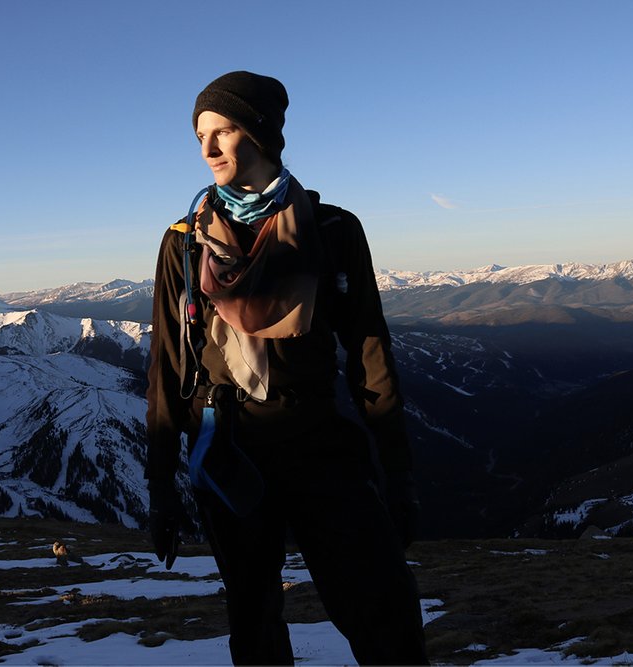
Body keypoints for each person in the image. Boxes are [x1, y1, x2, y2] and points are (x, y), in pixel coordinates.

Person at [146, 71, 428, 665]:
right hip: (228, 446)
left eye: (224, 130)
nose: (208, 149)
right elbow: (168, 367)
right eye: (200, 134)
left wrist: (397, 475)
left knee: (383, 607)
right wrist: (161, 486)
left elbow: (371, 358)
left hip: (317, 439)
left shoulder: (331, 232)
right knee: (253, 617)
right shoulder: (184, 244)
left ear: (264, 133)